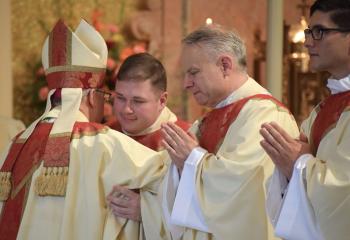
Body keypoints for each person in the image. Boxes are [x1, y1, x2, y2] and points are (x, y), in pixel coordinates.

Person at [0, 19, 166, 240]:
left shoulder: (15, 145)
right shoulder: (101, 143)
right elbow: (177, 182)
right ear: (89, 96)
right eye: (103, 96)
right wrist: (148, 208)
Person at [159, 25, 299, 240]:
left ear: (225, 65)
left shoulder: (265, 115)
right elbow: (167, 173)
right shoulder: (205, 121)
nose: (187, 84)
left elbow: (241, 188)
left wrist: (191, 159)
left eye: (193, 72)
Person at [260, 1, 350, 239]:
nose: (307, 41)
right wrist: (289, 165)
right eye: (309, 32)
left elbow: (344, 192)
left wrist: (299, 164)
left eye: (319, 32)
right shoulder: (325, 108)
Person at [107, 52, 190, 239]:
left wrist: (147, 210)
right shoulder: (105, 135)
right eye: (120, 98)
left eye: (138, 101)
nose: (126, 109)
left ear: (162, 101)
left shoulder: (184, 142)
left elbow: (200, 211)